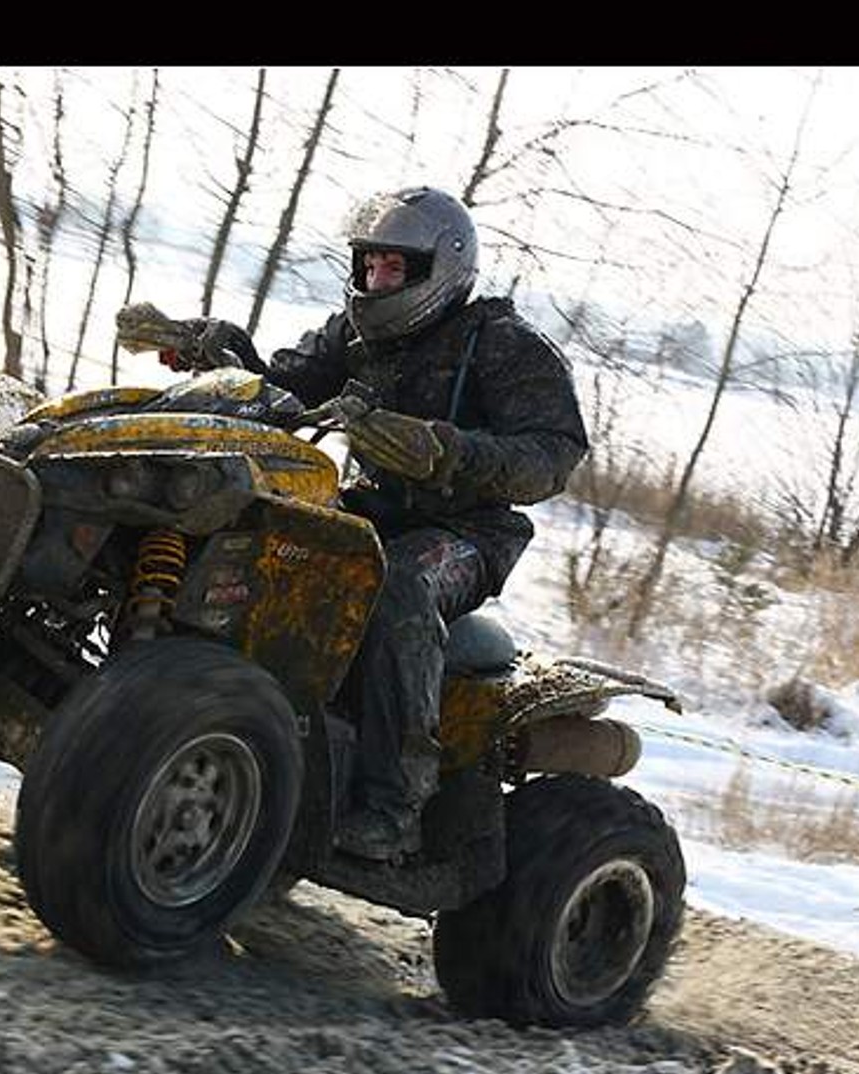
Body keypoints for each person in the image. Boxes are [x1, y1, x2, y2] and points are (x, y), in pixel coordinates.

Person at [154, 186, 588, 861]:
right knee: (257, 529)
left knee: (397, 590)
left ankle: (395, 806)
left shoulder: (502, 344)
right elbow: (281, 387)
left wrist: (447, 449)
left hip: (466, 533)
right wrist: (216, 348)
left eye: (396, 269)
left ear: (439, 270)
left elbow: (554, 454)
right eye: (370, 266)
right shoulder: (354, 335)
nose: (378, 281)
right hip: (370, 509)